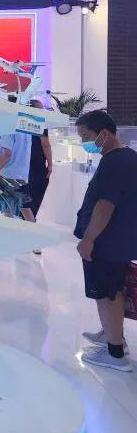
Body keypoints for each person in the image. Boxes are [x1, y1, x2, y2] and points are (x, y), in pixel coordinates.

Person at [73, 110, 137, 372]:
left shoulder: (116, 163)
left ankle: (115, 353)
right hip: (115, 242)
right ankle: (112, 336)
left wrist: (88, 239)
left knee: (107, 294)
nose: (84, 142)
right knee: (112, 291)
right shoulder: (123, 158)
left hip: (106, 243)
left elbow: (105, 206)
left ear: (105, 134)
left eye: (86, 136)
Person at [27, 99, 54, 218]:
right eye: (40, 109)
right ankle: (30, 221)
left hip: (24, 164)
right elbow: (45, 144)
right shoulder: (39, 123)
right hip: (37, 164)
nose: (42, 111)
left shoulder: (20, 122)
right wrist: (50, 164)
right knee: (35, 197)